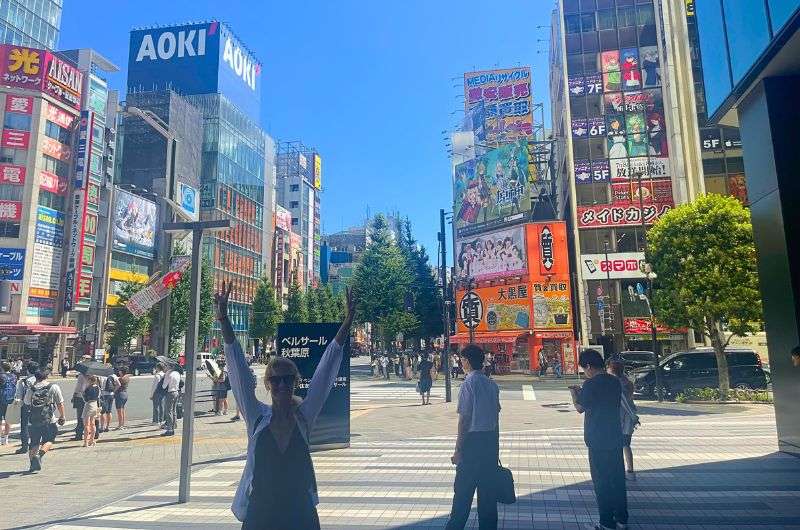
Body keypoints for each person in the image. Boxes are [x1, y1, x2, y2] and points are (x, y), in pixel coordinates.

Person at [221, 281, 355, 529]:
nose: (282, 385)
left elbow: (325, 374)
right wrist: (225, 323)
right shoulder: (257, 418)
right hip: (260, 512)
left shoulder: (304, 416)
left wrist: (346, 325)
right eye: (276, 379)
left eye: (288, 379)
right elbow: (238, 372)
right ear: (268, 384)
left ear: (295, 382)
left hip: (299, 512)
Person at [569, 349, 628, 530]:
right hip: (615, 436)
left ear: (588, 366)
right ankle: (622, 519)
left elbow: (580, 407)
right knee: (617, 479)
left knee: (601, 482)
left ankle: (606, 523)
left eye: (584, 368)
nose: (585, 372)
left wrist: (574, 393)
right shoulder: (615, 382)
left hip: (597, 438)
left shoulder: (591, 384)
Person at [445, 345, 501, 530]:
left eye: (462, 360)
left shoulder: (468, 384)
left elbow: (464, 420)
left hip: (472, 444)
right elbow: (496, 414)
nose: (461, 363)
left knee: (462, 495)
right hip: (490, 444)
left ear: (467, 361)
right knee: (487, 497)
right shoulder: (491, 384)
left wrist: (458, 450)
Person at [23, 367, 66, 472]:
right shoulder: (53, 387)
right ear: (46, 376)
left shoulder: (31, 389)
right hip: (48, 419)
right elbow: (60, 403)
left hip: (33, 420)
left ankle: (32, 465)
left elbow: (27, 402)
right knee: (49, 440)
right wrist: (62, 416)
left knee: (34, 443)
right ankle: (39, 455)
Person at [608, 358, 638, 481]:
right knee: (626, 445)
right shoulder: (627, 382)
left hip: (619, 419)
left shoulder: (614, 383)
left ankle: (617, 471)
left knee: (616, 446)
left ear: (612, 369)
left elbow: (621, 401)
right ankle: (630, 471)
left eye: (608, 367)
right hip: (629, 420)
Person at [14, 362, 36, 454]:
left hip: (26, 407)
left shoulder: (23, 381)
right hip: (39, 406)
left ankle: (24, 446)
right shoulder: (40, 380)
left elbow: (18, 396)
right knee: (36, 425)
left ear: (27, 370)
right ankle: (35, 445)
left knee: (25, 426)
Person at [71, 356, 91, 441]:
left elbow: (79, 388)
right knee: (87, 416)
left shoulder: (81, 376)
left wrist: (74, 395)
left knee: (80, 417)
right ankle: (89, 432)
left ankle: (78, 435)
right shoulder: (91, 376)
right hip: (89, 397)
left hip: (80, 397)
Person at [161, 363, 181, 436]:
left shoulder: (168, 374)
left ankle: (170, 429)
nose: (165, 367)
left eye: (166, 366)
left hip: (170, 392)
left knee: (168, 411)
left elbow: (164, 386)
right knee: (174, 410)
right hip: (176, 391)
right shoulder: (177, 373)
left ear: (169, 366)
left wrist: (164, 378)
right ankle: (174, 425)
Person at [82, 375, 101, 447]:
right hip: (95, 404)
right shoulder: (98, 388)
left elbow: (86, 399)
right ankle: (91, 440)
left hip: (89, 404)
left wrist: (83, 394)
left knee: (87, 424)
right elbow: (98, 397)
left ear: (90, 380)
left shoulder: (88, 388)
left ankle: (85, 442)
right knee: (93, 423)